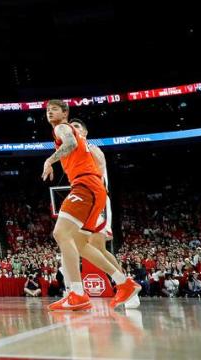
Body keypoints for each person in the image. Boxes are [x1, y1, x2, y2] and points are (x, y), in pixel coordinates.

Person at [41, 100, 141, 311]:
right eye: (48, 110)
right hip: (94, 189)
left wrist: (49, 160)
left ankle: (77, 293)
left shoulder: (62, 128)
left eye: (55, 109)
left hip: (86, 186)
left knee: (61, 233)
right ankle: (124, 283)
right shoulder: (80, 139)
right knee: (79, 243)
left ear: (65, 112)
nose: (50, 112)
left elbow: (70, 145)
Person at [71, 120, 139, 309]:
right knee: (97, 248)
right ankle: (126, 285)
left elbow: (99, 168)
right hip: (87, 201)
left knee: (92, 246)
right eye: (71, 127)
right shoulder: (76, 153)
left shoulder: (91, 148)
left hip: (96, 198)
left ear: (84, 131)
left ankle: (125, 286)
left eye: (76, 127)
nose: (73, 130)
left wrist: (93, 193)